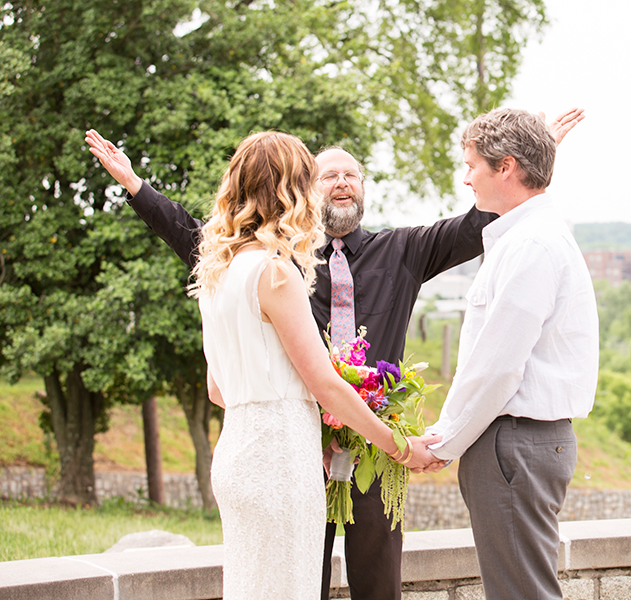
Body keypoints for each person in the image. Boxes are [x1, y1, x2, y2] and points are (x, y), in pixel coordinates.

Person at [85, 107, 583, 600]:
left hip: (370, 441)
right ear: (303, 189)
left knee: (374, 577)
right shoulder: (282, 264)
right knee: (301, 577)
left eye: (351, 174)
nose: (341, 182)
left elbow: (480, 219)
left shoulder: (403, 250)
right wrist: (137, 188)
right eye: (327, 175)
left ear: (363, 189)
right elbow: (197, 238)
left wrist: (534, 156)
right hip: (301, 442)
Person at [91, 130, 440, 597]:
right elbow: (327, 385)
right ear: (292, 191)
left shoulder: (216, 272)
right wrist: (400, 447)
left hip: (237, 456)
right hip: (282, 463)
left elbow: (218, 390)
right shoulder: (277, 272)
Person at [423, 108, 599, 600]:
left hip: (514, 446)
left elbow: (496, 366)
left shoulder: (531, 246)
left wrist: (441, 442)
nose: (466, 177)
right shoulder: (525, 237)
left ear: (505, 168)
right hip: (517, 445)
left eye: (472, 164)